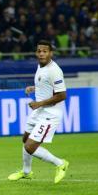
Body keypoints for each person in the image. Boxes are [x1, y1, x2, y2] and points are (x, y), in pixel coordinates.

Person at [8, 41, 70, 183]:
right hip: (39, 111)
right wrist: (34, 88)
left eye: (45, 51)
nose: (41, 54)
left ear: (51, 53)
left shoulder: (54, 70)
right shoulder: (40, 66)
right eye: (39, 51)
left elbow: (62, 95)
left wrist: (39, 104)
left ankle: (61, 164)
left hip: (50, 113)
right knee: (25, 140)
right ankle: (26, 172)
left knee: (30, 146)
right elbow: (47, 86)